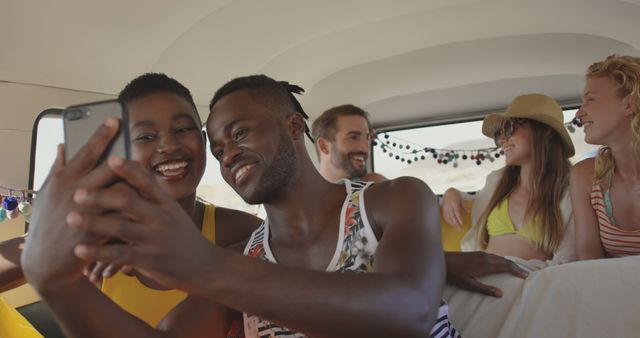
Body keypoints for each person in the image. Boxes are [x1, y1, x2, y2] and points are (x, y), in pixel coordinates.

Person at [21, 75, 459, 337]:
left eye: (241, 133)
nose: (227, 153)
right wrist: (57, 283)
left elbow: (410, 312)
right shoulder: (244, 255)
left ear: (293, 126)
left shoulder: (393, 198)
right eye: (217, 146)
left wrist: (205, 268)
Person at [1, 72, 260, 328]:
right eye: (146, 136)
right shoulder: (97, 236)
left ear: (203, 141)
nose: (169, 145)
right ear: (123, 151)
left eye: (181, 129)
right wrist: (42, 241)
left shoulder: (241, 234)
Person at [442, 94, 576, 263]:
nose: (502, 140)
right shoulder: (497, 182)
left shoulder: (571, 188)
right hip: (481, 279)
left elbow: (567, 260)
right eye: (499, 133)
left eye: (509, 129)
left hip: (533, 284)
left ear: (545, 131)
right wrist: (451, 192)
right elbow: (475, 202)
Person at [571, 54, 640, 259]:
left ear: (630, 104)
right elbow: (590, 268)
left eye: (590, 100)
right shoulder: (585, 176)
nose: (578, 114)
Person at [311, 104, 386, 183]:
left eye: (367, 138)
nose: (365, 148)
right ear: (324, 146)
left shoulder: (377, 186)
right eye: (353, 137)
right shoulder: (304, 194)